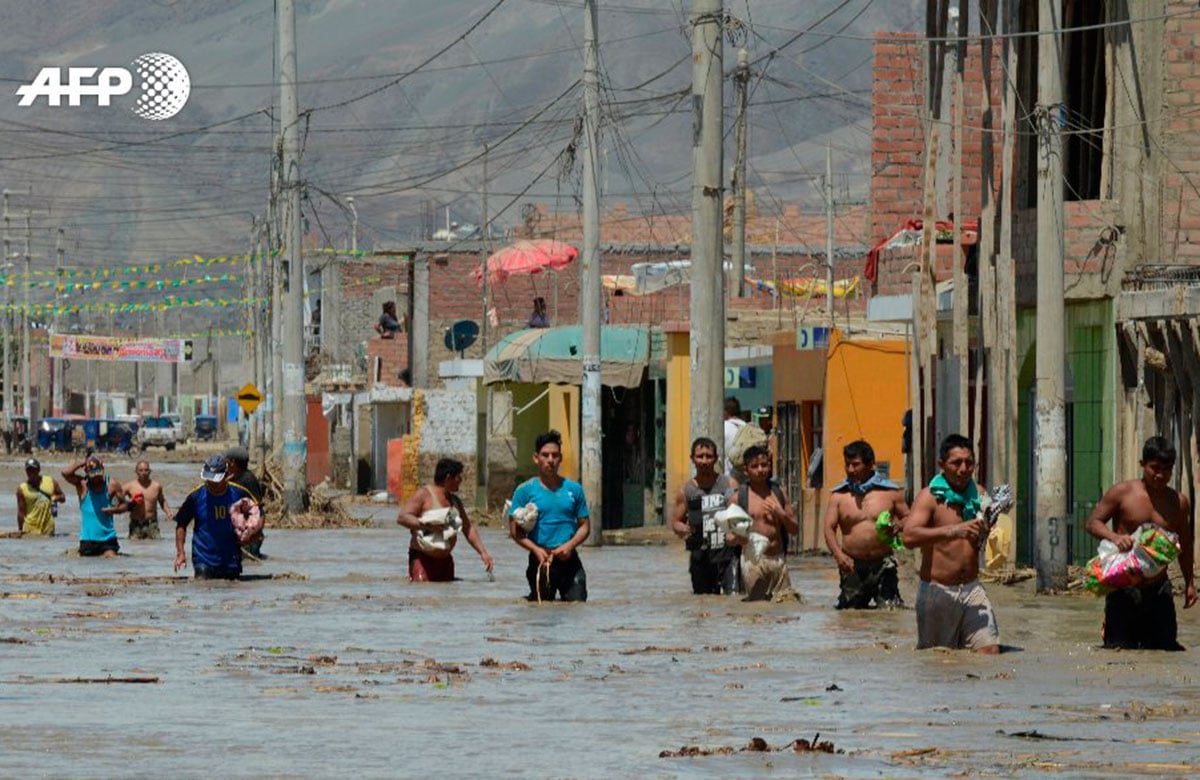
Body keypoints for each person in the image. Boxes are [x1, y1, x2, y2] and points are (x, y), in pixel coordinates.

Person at [1084, 436, 1196, 650]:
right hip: (1124, 587)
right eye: (1154, 468)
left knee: (1165, 653)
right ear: (1142, 465)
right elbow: (1092, 523)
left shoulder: (1179, 502)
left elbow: (1186, 544)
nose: (1160, 475)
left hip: (1159, 588)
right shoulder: (1122, 493)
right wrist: (1115, 538)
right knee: (1119, 652)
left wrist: (1190, 582)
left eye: (1166, 469)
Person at [902, 434, 999, 654]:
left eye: (969, 463)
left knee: (990, 652)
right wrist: (954, 530)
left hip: (973, 588)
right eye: (956, 463)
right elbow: (908, 537)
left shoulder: (979, 494)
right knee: (939, 660)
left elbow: (984, 534)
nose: (964, 469)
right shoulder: (929, 497)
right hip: (938, 591)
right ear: (941, 466)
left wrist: (992, 529)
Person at [824, 440, 910, 609]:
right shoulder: (839, 496)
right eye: (847, 465)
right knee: (849, 615)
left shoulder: (890, 493)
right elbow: (829, 528)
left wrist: (898, 526)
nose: (850, 470)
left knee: (891, 612)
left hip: (883, 564)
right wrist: (839, 556)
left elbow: (909, 517)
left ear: (871, 465)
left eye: (855, 465)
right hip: (852, 565)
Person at [508, 430, 590, 602]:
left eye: (555, 455)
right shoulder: (524, 491)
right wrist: (535, 549)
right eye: (545, 455)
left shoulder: (574, 490)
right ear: (536, 458)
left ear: (560, 458)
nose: (550, 460)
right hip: (540, 561)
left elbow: (585, 527)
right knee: (541, 608)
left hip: (570, 561)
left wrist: (570, 545)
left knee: (578, 605)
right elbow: (516, 532)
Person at [397, 458, 494, 582]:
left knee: (446, 596)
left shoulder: (455, 501)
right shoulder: (424, 495)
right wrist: (425, 525)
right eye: (459, 477)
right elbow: (403, 517)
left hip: (445, 561)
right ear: (449, 477)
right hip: (422, 559)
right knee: (421, 593)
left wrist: (483, 553)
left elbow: (468, 528)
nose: (461, 480)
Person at [669, 437, 740, 595]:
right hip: (700, 557)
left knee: (732, 600)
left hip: (728, 555)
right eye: (700, 456)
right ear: (692, 459)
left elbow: (740, 515)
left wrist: (735, 533)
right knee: (703, 603)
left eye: (708, 456)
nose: (704, 460)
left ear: (716, 458)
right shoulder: (686, 491)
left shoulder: (729, 485)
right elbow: (675, 522)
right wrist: (684, 529)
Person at [174, 455, 258, 580]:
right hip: (203, 557)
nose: (212, 483)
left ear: (226, 475)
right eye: (209, 479)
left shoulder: (240, 493)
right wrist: (181, 553)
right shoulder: (196, 496)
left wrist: (252, 536)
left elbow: (258, 515)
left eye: (216, 480)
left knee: (231, 592)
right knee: (203, 587)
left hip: (231, 558)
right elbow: (181, 524)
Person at [733, 445, 799, 601]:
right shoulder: (738, 498)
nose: (760, 470)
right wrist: (738, 538)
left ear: (770, 466)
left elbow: (794, 529)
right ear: (745, 470)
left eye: (764, 465)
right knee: (757, 611)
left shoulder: (779, 493)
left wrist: (781, 514)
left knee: (785, 610)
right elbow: (728, 537)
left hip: (779, 560)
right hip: (753, 562)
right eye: (754, 466)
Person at [62, 454, 129, 557]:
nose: (97, 478)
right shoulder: (82, 485)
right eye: (93, 475)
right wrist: (82, 462)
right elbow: (65, 473)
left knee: (111, 558)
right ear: (87, 473)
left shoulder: (111, 484)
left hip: (108, 538)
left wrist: (114, 510)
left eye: (99, 475)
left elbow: (125, 505)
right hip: (88, 539)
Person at [226, 446, 266, 559]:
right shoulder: (235, 478)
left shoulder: (247, 480)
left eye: (227, 461)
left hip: (248, 536)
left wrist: (254, 535)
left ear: (232, 462)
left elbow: (259, 509)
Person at [122, 460, 172, 540]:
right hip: (136, 524)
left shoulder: (156, 486)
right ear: (136, 472)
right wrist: (129, 504)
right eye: (141, 470)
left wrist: (168, 512)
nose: (144, 472)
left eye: (146, 470)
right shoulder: (129, 486)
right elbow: (117, 499)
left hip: (152, 524)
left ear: (150, 471)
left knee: (157, 543)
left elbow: (162, 501)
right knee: (134, 545)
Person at [16, 457, 66, 536]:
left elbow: (63, 497)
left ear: (38, 470)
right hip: (30, 528)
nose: (31, 473)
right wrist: (20, 530)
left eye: (33, 470)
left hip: (48, 528)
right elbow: (21, 512)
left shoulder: (50, 481)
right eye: (28, 470)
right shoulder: (22, 489)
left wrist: (56, 498)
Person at [723, 397, 746, 476]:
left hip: (728, 474)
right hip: (746, 475)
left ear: (725, 412)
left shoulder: (723, 427)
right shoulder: (747, 427)